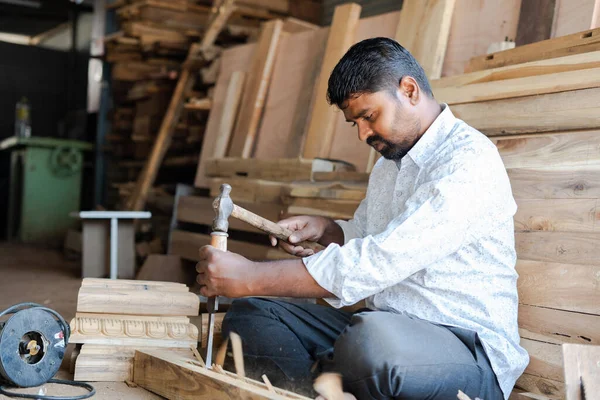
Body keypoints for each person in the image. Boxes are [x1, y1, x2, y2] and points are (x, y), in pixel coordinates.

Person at [196, 37, 528, 400]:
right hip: (383, 331)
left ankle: (335, 377)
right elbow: (371, 238)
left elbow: (381, 260)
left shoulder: (467, 161)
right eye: (354, 122)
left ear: (409, 90)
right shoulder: (390, 165)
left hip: (465, 350)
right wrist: (327, 230)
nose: (363, 133)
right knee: (252, 315)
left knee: (369, 345)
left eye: (369, 116)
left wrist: (250, 277)